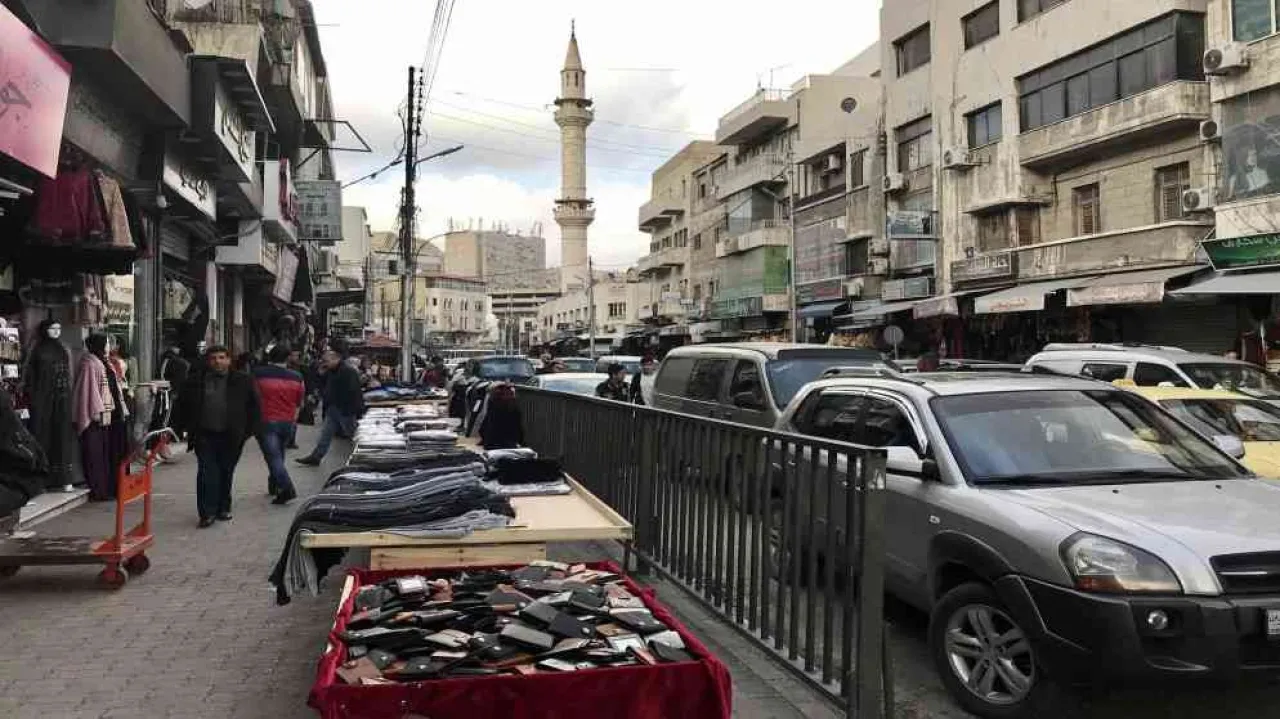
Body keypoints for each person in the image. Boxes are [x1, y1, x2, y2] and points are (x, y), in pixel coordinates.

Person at [174, 345, 261, 528]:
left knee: (225, 471)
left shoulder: (243, 380)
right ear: (208, 361)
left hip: (231, 436)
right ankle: (207, 512)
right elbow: (182, 405)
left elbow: (254, 407)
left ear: (229, 360)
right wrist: (179, 429)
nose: (218, 361)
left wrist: (246, 432)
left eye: (222, 357)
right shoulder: (195, 381)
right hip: (204, 435)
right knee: (206, 473)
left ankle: (223, 507)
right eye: (213, 358)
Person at [252, 345, 305, 505]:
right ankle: (274, 485)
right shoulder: (297, 377)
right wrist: (294, 419)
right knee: (279, 454)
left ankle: (287, 488)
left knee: (273, 457)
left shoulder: (258, 374)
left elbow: (253, 397)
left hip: (266, 420)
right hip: (287, 421)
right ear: (287, 358)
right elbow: (299, 401)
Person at [296, 349, 364, 466]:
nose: (325, 363)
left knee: (352, 434)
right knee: (326, 434)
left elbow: (354, 392)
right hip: (333, 407)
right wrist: (320, 375)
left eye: (327, 361)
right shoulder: (332, 371)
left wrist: (354, 409)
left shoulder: (348, 371)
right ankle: (316, 456)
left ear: (336, 359)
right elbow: (323, 384)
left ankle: (362, 456)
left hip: (345, 409)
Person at [478, 383, 524, 450]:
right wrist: (521, 442)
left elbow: (484, 426)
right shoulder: (514, 409)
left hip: (492, 444)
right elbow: (518, 429)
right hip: (509, 444)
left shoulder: (493, 407)